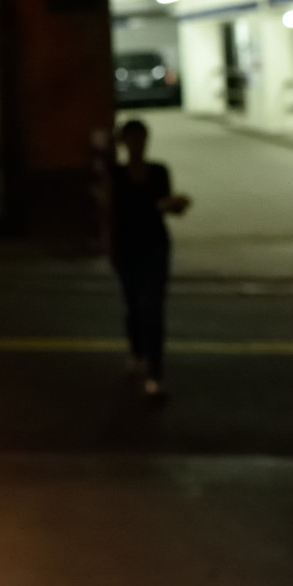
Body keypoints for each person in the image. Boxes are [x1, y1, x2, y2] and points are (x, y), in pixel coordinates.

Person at [110, 119, 191, 398]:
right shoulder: (115, 174)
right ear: (123, 142)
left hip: (155, 245)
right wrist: (108, 246)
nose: (138, 144)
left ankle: (155, 373)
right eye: (132, 139)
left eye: (142, 139)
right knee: (133, 305)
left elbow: (167, 205)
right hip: (126, 247)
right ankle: (137, 350)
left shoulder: (159, 171)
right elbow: (109, 212)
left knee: (154, 308)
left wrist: (176, 205)